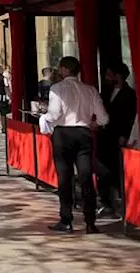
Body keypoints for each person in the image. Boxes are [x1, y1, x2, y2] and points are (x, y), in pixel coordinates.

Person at [39, 56, 109, 234]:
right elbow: (103, 118)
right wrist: (91, 124)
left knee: (65, 178)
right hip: (84, 133)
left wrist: (44, 117)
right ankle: (90, 222)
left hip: (63, 134)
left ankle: (66, 219)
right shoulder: (90, 90)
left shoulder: (57, 89)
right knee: (86, 177)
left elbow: (54, 114)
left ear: (64, 70)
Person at [96, 61, 137, 219]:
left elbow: (130, 117)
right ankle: (106, 202)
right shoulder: (105, 92)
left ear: (118, 75)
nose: (106, 77)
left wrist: (125, 135)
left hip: (119, 136)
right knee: (103, 169)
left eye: (109, 74)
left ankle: (122, 200)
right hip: (104, 135)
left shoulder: (129, 94)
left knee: (118, 169)